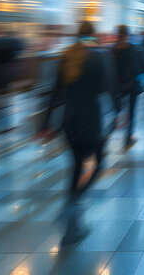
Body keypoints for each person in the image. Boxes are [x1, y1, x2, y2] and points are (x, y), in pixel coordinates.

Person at [39, 21, 119, 246]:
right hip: (92, 121)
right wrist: (118, 113)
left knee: (76, 166)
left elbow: (54, 93)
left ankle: (71, 230)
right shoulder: (99, 56)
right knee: (99, 164)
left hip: (69, 123)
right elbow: (108, 88)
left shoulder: (65, 56)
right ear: (93, 35)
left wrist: (45, 125)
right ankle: (71, 205)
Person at [112, 24, 139, 150]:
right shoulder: (131, 49)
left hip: (116, 87)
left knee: (115, 112)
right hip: (131, 86)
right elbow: (136, 67)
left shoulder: (112, 50)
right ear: (128, 35)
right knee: (131, 112)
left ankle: (106, 137)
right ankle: (128, 138)